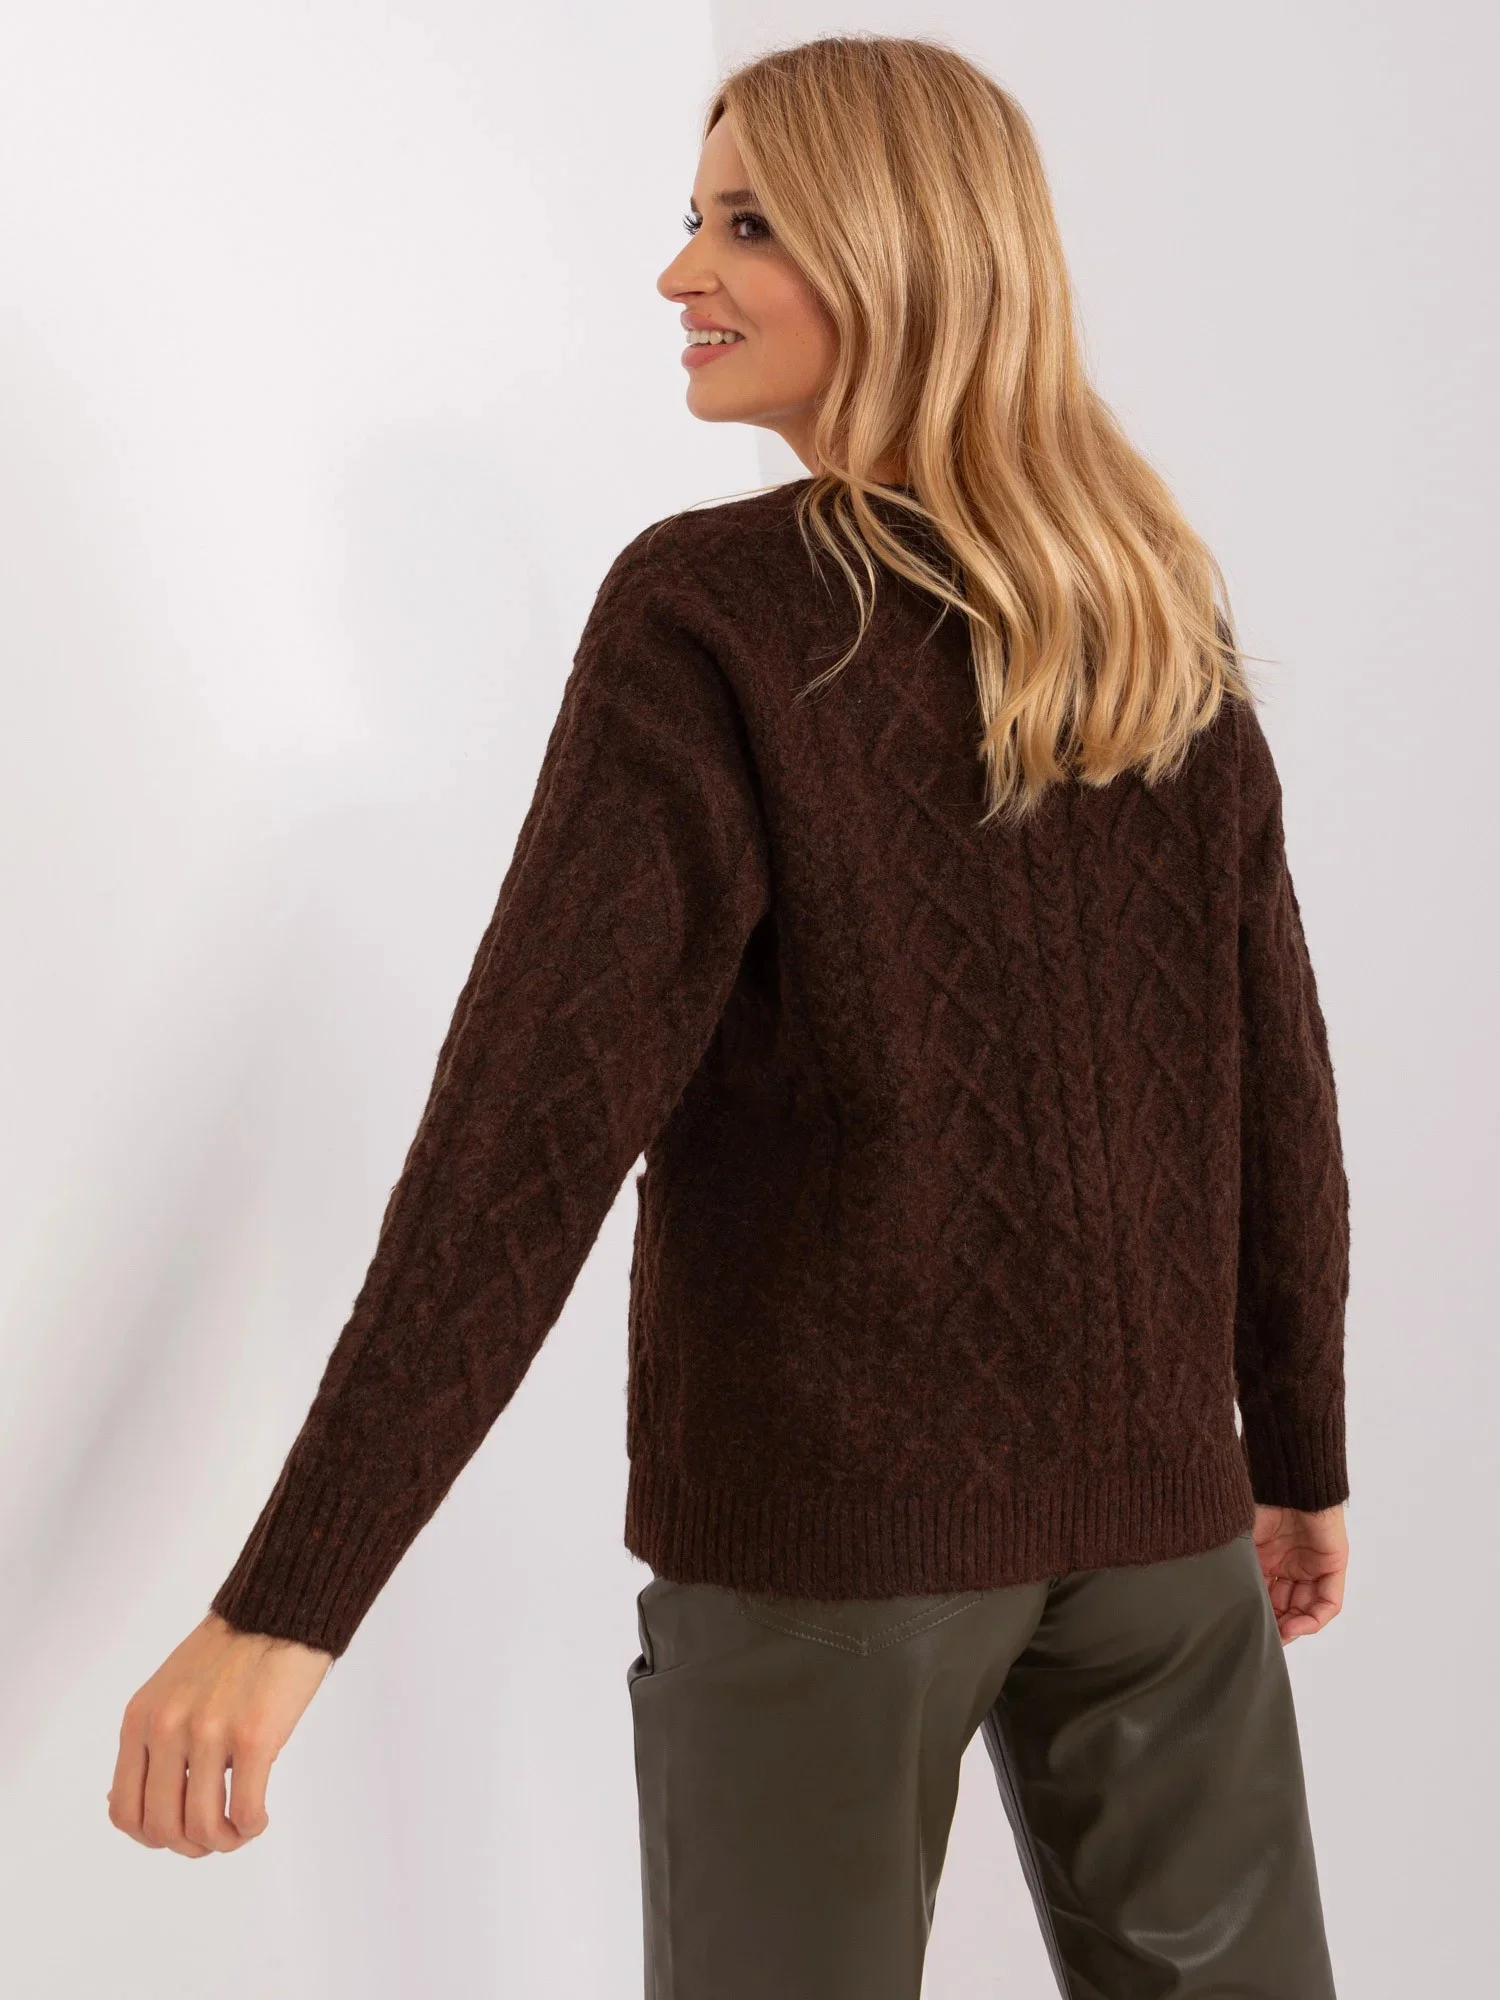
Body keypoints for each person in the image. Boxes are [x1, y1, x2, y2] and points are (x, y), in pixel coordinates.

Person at [108, 33, 1351, 1998]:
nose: (682, 271)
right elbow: (1279, 1073)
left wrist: (286, 1608)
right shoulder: (1143, 603)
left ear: (904, 251)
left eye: (750, 224)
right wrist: (1296, 1443)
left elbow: (526, 1139)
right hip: (1162, 1535)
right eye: (695, 218)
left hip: (830, 1544)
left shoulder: (712, 613)